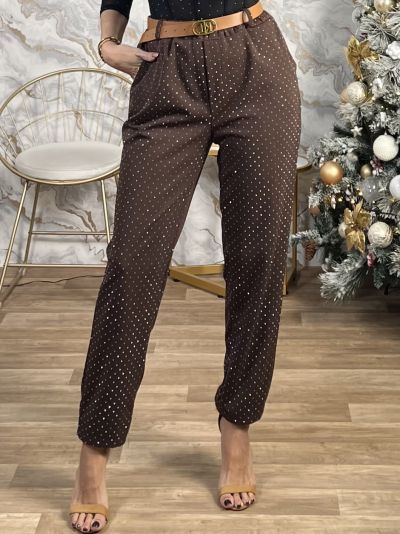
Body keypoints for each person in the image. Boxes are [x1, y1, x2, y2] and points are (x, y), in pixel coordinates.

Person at [69, 0, 301, 531]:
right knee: (131, 268)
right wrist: (107, 43)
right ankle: (95, 446)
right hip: (166, 71)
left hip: (255, 61)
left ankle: (237, 426)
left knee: (259, 261)